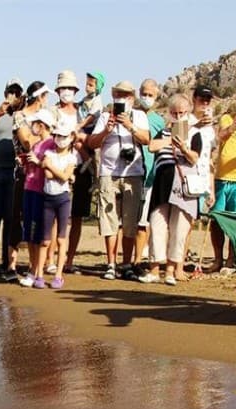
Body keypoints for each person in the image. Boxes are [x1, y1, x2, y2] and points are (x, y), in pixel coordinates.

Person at [85, 80, 152, 279]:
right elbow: (92, 143)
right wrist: (107, 130)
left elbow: (146, 140)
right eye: (118, 95)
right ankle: (111, 264)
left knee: (130, 221)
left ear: (132, 97)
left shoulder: (139, 116)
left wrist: (130, 126)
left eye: (126, 95)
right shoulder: (105, 116)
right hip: (108, 172)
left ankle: (127, 264)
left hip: (133, 173)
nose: (122, 98)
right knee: (109, 220)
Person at [139, 95, 202, 285]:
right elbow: (152, 146)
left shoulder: (195, 133)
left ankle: (170, 270)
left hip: (182, 187)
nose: (178, 116)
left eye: (182, 113)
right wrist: (170, 140)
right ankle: (154, 269)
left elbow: (194, 158)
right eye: (174, 113)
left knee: (179, 229)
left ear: (188, 112)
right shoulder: (164, 132)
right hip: (162, 184)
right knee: (157, 224)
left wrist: (184, 147)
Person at [0, 78, 24, 278]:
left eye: (17, 92)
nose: (13, 96)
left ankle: (6, 261)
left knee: (10, 217)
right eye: (10, 91)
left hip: (13, 171)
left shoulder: (21, 115)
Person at [68, 72, 106, 272]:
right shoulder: (83, 101)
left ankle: (90, 165)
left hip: (89, 133)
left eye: (91, 84)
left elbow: (91, 116)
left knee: (80, 141)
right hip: (75, 152)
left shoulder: (97, 102)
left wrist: (79, 127)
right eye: (87, 83)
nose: (88, 86)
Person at [38, 120, 80, 289]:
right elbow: (49, 175)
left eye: (64, 136)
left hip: (63, 199)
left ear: (71, 137)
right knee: (45, 240)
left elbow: (64, 176)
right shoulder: (49, 152)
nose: (60, 139)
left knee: (62, 238)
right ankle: (39, 275)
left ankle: (58, 275)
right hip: (48, 199)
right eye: (58, 136)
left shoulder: (72, 157)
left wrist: (52, 167)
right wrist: (61, 173)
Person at [133, 78, 167, 267]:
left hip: (151, 176)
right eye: (144, 94)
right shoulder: (132, 115)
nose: (146, 97)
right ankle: (129, 259)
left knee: (144, 221)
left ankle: (139, 258)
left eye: (150, 95)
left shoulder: (158, 121)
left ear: (156, 96)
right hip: (132, 173)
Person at [209, 111, 236, 273]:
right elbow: (219, 137)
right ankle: (218, 258)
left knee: (234, 221)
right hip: (221, 178)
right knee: (216, 219)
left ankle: (231, 259)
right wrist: (232, 127)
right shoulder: (226, 118)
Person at [18, 109, 53, 288]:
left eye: (34, 124)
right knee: (29, 233)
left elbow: (51, 166)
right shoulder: (36, 144)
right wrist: (25, 162)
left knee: (37, 233)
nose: (32, 127)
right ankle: (32, 268)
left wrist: (38, 162)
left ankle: (37, 270)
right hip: (29, 188)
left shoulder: (51, 144)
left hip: (40, 191)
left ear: (42, 125)